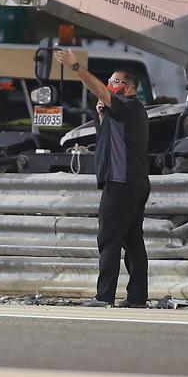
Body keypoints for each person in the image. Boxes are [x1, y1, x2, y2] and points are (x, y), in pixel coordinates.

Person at [55, 50, 150, 308]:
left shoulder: (129, 106)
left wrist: (76, 67)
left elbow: (99, 90)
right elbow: (109, 141)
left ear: (129, 88)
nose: (109, 85)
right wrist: (100, 116)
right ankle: (137, 298)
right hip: (132, 183)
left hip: (121, 184)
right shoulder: (121, 113)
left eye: (115, 82)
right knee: (132, 241)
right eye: (109, 81)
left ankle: (104, 295)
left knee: (108, 239)